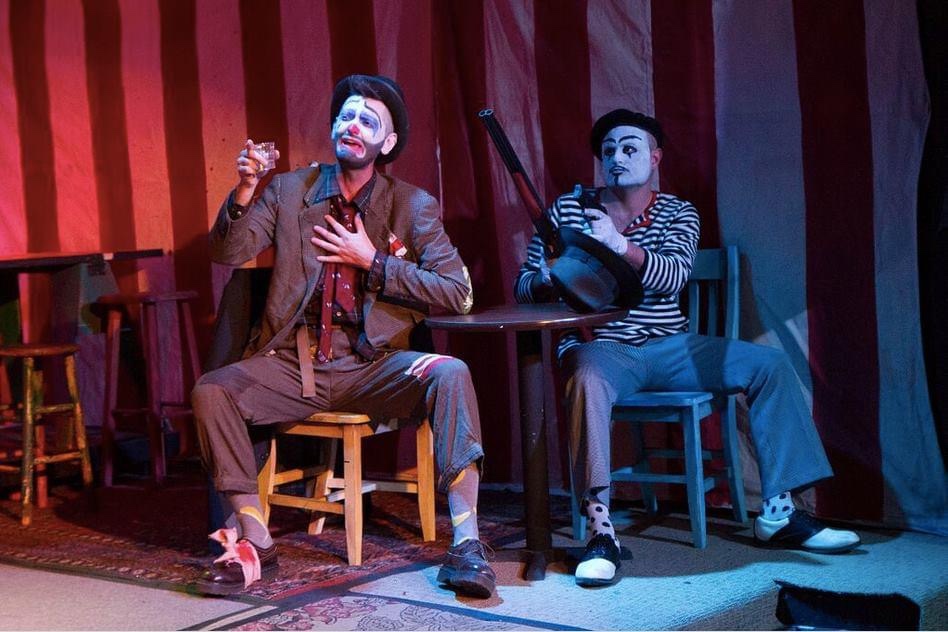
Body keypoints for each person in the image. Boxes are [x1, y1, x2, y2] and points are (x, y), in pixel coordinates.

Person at [514, 109, 861, 587]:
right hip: (604, 350)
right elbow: (524, 286)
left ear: (654, 158)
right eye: (609, 150)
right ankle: (600, 532)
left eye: (630, 148)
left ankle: (781, 512)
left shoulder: (679, 212)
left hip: (673, 347)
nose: (617, 157)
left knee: (770, 365)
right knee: (586, 376)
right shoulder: (568, 210)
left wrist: (618, 245)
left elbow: (673, 276)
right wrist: (555, 274)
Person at [191, 74, 495, 599]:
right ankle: (255, 539)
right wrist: (245, 191)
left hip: (375, 366)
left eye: (368, 121)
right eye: (346, 116)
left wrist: (373, 261)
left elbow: (458, 293)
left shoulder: (412, 205)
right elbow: (229, 252)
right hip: (296, 365)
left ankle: (467, 543)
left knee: (451, 372)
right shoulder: (290, 190)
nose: (353, 126)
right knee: (212, 391)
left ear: (387, 142)